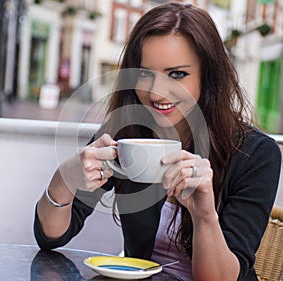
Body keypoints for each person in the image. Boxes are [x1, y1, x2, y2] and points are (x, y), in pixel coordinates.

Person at [34, 2, 281, 281]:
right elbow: (51, 236)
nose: (156, 92)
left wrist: (204, 216)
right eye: (145, 74)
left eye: (177, 74)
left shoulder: (256, 154)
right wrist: (65, 179)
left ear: (209, 76)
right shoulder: (124, 133)